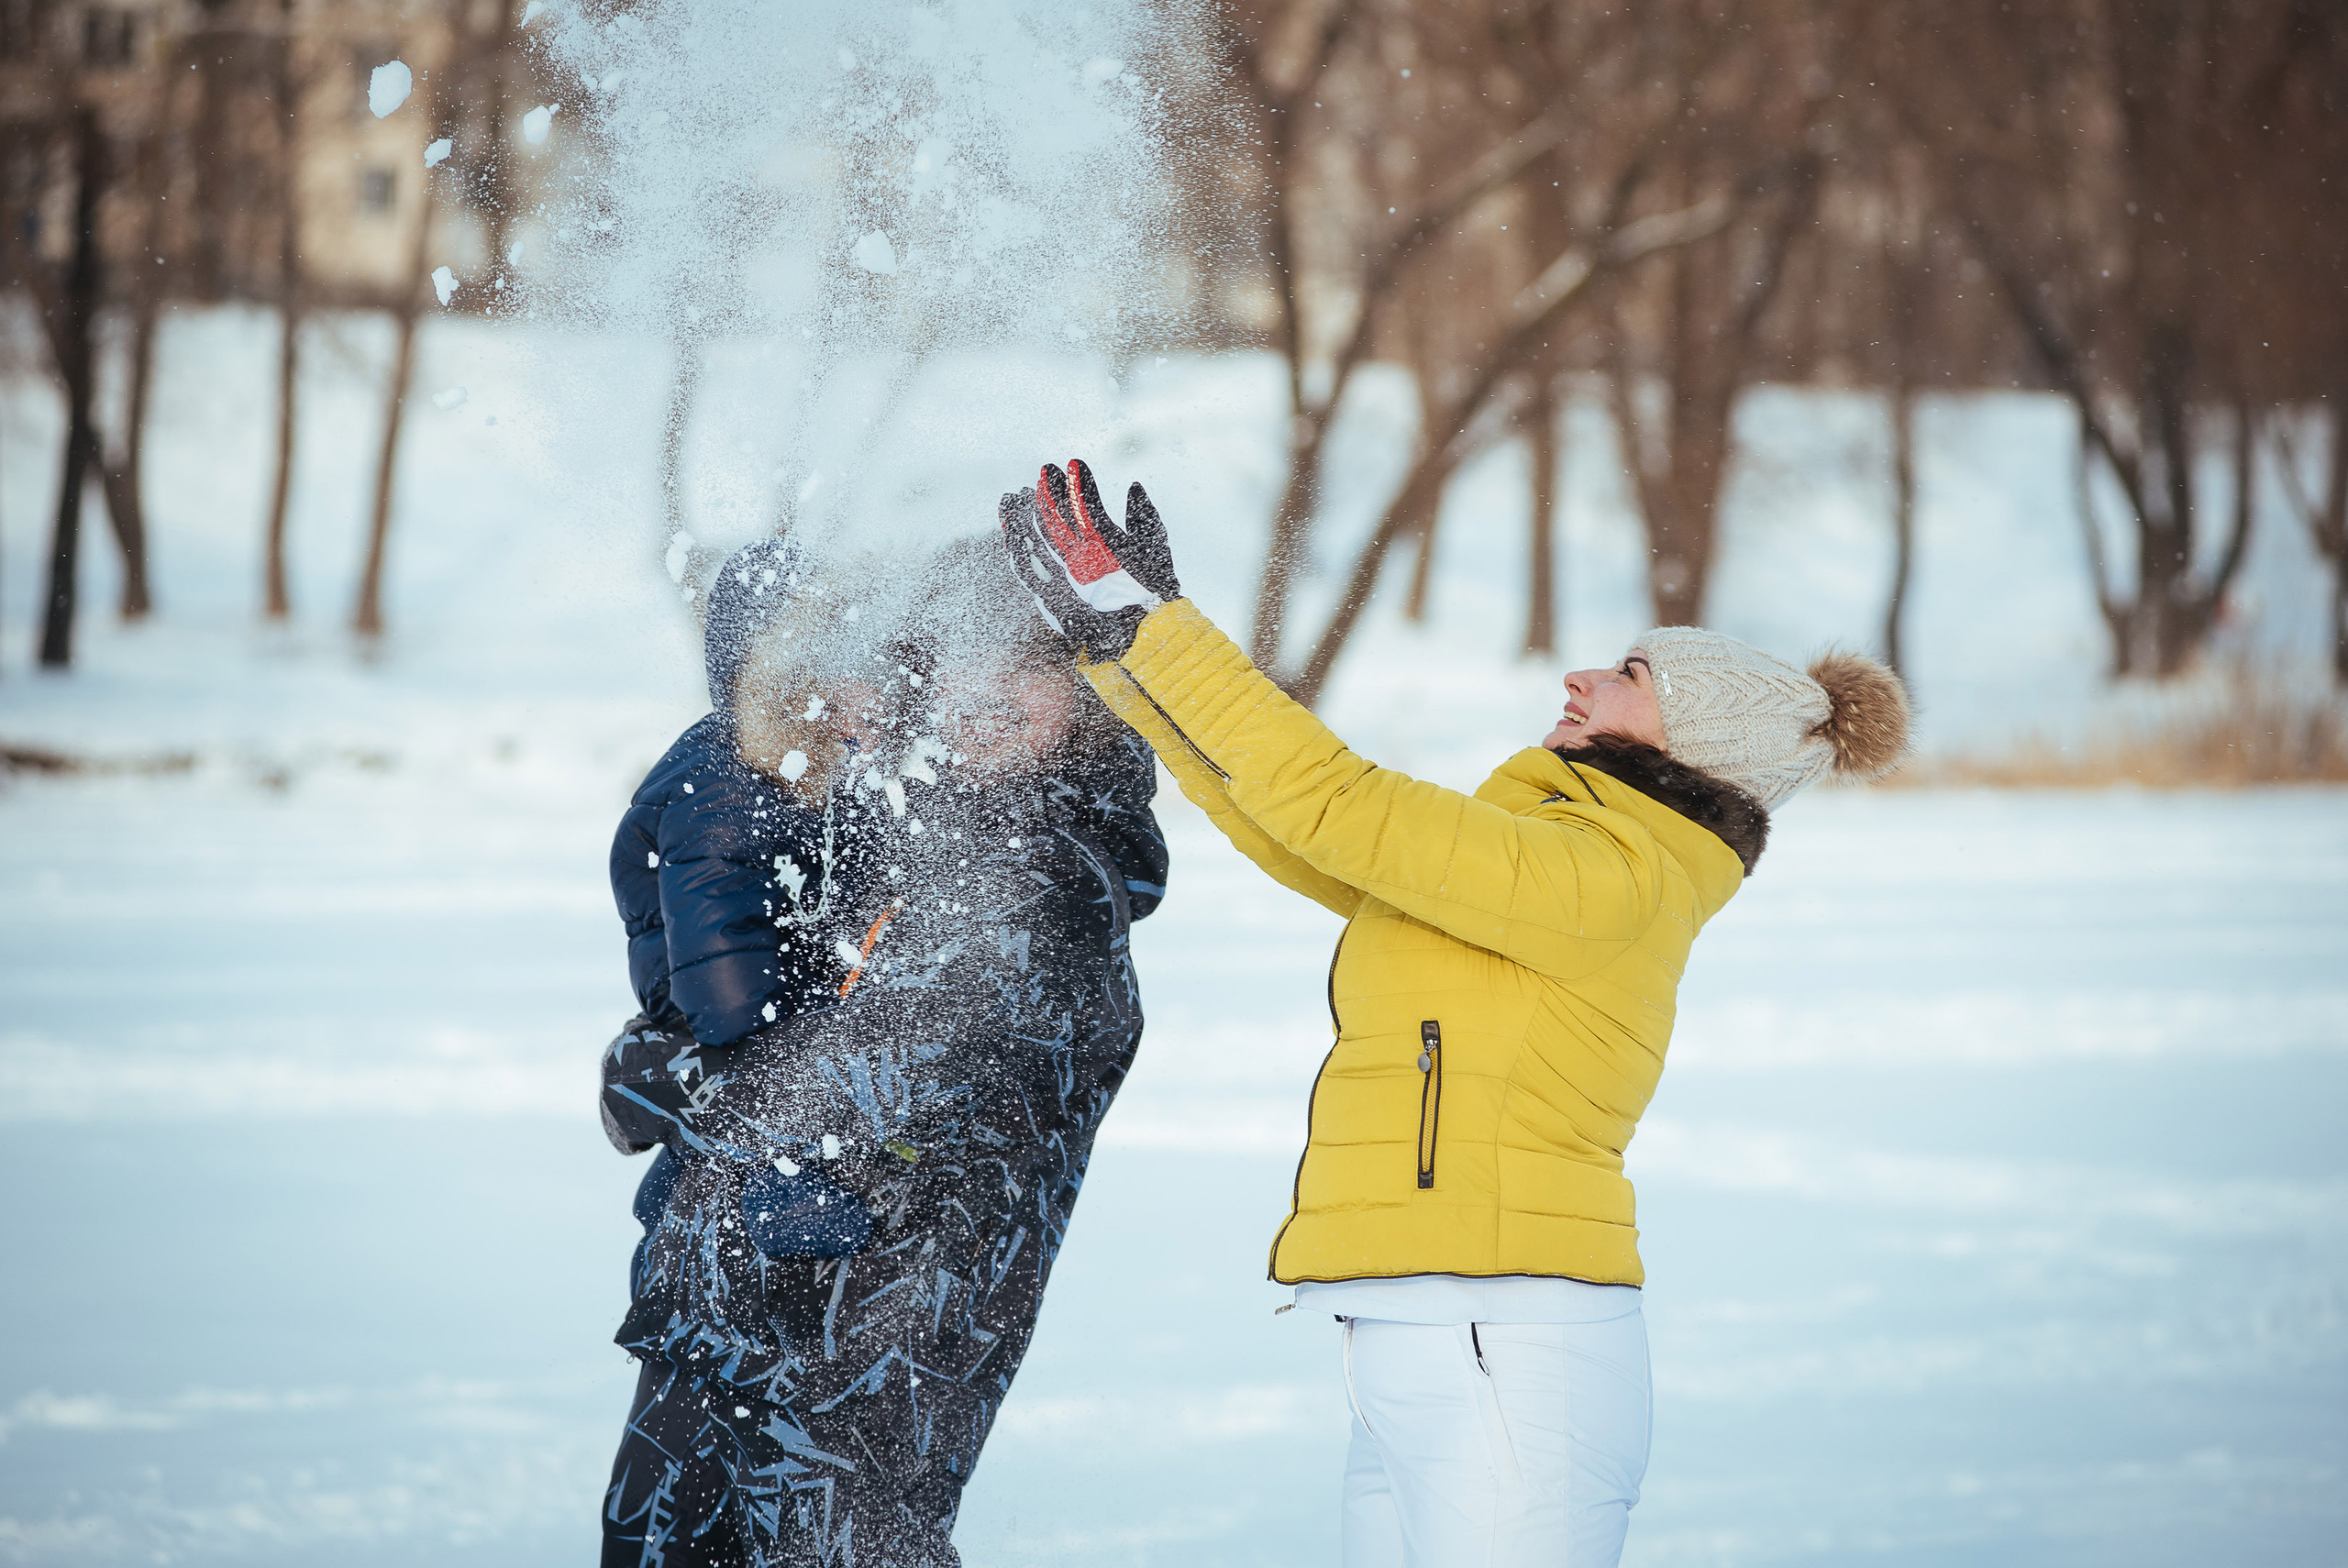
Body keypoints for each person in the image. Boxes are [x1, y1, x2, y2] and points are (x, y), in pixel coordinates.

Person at [999, 459, 1911, 1568]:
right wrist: (1123, 660)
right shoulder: (1555, 859)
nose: (1582, 675)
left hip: (1515, 1357)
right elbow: (1293, 825)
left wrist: (1159, 632)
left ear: (1693, 739)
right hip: (1425, 1350)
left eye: (1628, 672)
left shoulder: (1613, 881)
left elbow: (1341, 801)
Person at [597, 534, 1168, 1568]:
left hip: (858, 1356)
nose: (985, 697)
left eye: (1029, 669)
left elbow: (861, 1093)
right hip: (737, 1319)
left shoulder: (1042, 873)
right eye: (963, 658)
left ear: (1093, 693)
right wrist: (681, 1034)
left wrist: (681, 1080)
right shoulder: (912, 820)